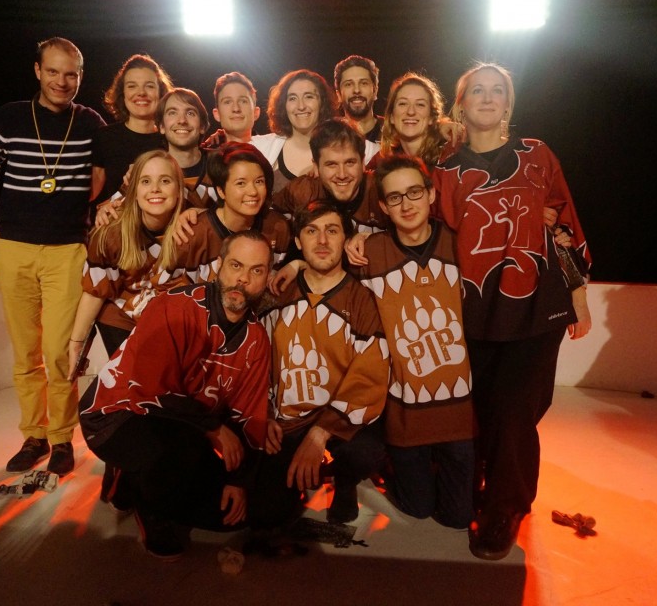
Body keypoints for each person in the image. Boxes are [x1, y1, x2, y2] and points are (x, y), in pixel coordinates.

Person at [433, 62, 591, 560]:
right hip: (473, 307)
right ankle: (485, 485)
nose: (487, 97)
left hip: (535, 305)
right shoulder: (444, 169)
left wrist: (579, 297)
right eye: (476, 90)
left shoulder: (537, 155)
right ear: (461, 105)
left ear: (508, 103)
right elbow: (434, 237)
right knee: (482, 409)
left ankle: (506, 507)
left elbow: (565, 225)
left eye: (497, 90)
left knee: (516, 408)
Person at [79, 230, 273, 560]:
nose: (243, 279)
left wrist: (238, 481)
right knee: (179, 449)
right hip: (114, 416)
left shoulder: (256, 339)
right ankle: (149, 507)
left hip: (188, 423)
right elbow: (151, 392)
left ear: (267, 277)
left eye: (257, 270)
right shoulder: (174, 306)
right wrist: (214, 428)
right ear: (218, 266)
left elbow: (251, 415)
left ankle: (138, 478)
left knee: (230, 516)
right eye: (236, 265)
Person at [0, 37, 106, 476]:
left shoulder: (90, 123)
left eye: (70, 74)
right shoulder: (10, 115)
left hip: (67, 249)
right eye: (53, 71)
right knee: (26, 352)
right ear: (37, 71)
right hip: (14, 247)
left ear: (80, 76)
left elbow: (109, 177)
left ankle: (62, 437)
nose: (61, 82)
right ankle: (34, 435)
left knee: (60, 352)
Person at [356, 154, 475, 529]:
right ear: (383, 206)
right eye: (395, 197)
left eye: (414, 193)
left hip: (459, 410)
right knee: (418, 508)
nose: (406, 204)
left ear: (431, 194)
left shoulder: (459, 244)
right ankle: (388, 462)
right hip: (405, 411)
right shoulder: (369, 253)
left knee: (458, 518)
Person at [253, 201, 388, 529]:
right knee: (267, 518)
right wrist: (263, 415)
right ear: (298, 242)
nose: (323, 240)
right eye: (311, 231)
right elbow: (256, 363)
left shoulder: (362, 299)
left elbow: (371, 374)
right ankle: (298, 476)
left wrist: (321, 432)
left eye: (332, 230)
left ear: (345, 239)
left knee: (365, 452)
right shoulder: (276, 294)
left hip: (336, 419)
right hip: (286, 420)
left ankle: (344, 480)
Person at [69, 149, 187, 376]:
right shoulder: (110, 233)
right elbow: (95, 292)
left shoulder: (193, 229)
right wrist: (77, 345)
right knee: (132, 382)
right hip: (122, 317)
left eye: (165, 181)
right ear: (133, 190)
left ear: (179, 189)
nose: (155, 188)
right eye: (145, 181)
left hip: (170, 320)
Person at [169, 141, 291, 284]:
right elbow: (165, 289)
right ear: (221, 190)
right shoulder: (192, 235)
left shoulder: (277, 227)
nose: (253, 191)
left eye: (259, 181)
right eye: (241, 183)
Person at [90, 54, 173, 208]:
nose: (141, 93)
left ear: (161, 92)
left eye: (149, 86)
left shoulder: (171, 139)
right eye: (132, 86)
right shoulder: (105, 137)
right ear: (123, 94)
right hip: (117, 221)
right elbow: (90, 195)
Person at [252, 70, 348, 194]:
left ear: (322, 102)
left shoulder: (345, 145)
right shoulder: (260, 147)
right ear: (283, 105)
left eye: (309, 97)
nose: (301, 106)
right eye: (292, 98)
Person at [378, 72, 453, 168]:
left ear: (431, 117)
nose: (411, 111)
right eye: (403, 103)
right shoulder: (385, 161)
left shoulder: (449, 157)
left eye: (420, 104)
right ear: (391, 116)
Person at [202, 71, 261, 147]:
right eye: (227, 102)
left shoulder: (273, 146)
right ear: (217, 114)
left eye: (243, 101)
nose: (236, 109)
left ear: (256, 112)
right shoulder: (205, 153)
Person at [334, 54, 383, 142]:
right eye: (348, 84)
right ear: (338, 95)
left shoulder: (392, 132)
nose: (356, 90)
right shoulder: (329, 136)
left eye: (364, 83)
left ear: (375, 91)